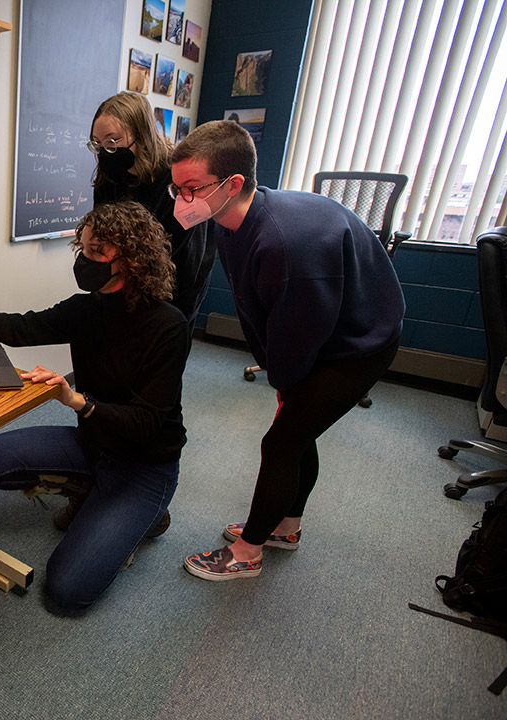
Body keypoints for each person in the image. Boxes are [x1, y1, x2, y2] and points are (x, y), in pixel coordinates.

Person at [0, 201, 188, 612]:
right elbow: (27, 326)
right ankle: (91, 491)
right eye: (83, 249)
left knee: (67, 592)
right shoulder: (87, 308)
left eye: (98, 251)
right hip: (94, 444)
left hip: (144, 464)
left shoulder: (167, 324)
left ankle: (147, 515)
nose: (85, 260)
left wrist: (76, 400)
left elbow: (147, 423)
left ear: (132, 257)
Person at [169, 120, 405, 581]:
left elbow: (299, 334)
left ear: (233, 183)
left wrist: (285, 381)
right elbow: (260, 309)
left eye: (191, 188)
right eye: (176, 188)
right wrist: (283, 375)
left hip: (359, 343)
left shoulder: (284, 244)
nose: (181, 200)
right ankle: (286, 526)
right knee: (298, 433)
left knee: (281, 442)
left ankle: (248, 551)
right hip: (323, 324)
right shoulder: (231, 220)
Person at [88, 92, 213, 332]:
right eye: (97, 143)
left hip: (175, 292)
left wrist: (165, 321)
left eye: (112, 142)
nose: (104, 151)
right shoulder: (109, 178)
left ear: (141, 135)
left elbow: (188, 265)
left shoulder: (180, 182)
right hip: (123, 288)